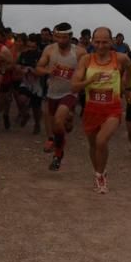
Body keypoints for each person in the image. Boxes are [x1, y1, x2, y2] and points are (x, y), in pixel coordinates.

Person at [72, 27, 131, 193]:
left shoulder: (121, 58)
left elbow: (129, 69)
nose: (101, 45)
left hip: (112, 108)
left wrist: (128, 88)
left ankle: (100, 176)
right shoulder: (86, 60)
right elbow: (74, 87)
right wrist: (89, 80)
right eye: (97, 42)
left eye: (105, 42)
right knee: (93, 145)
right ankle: (99, 171)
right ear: (92, 41)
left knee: (101, 141)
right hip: (91, 108)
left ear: (111, 42)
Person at [35, 22, 86, 171]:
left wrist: (82, 81)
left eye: (64, 37)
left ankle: (58, 154)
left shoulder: (80, 53)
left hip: (70, 92)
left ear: (70, 36)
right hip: (53, 91)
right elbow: (38, 68)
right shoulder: (49, 49)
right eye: (57, 37)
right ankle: (61, 130)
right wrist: (47, 71)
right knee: (56, 125)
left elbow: (88, 70)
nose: (60, 40)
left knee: (58, 120)